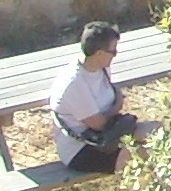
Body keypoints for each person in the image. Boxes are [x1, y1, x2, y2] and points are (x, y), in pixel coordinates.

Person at [51, 22, 151, 174]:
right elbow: (98, 124)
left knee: (161, 131)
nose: (115, 54)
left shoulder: (100, 68)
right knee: (144, 153)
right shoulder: (74, 84)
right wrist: (118, 103)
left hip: (111, 134)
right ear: (99, 54)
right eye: (113, 51)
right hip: (85, 149)